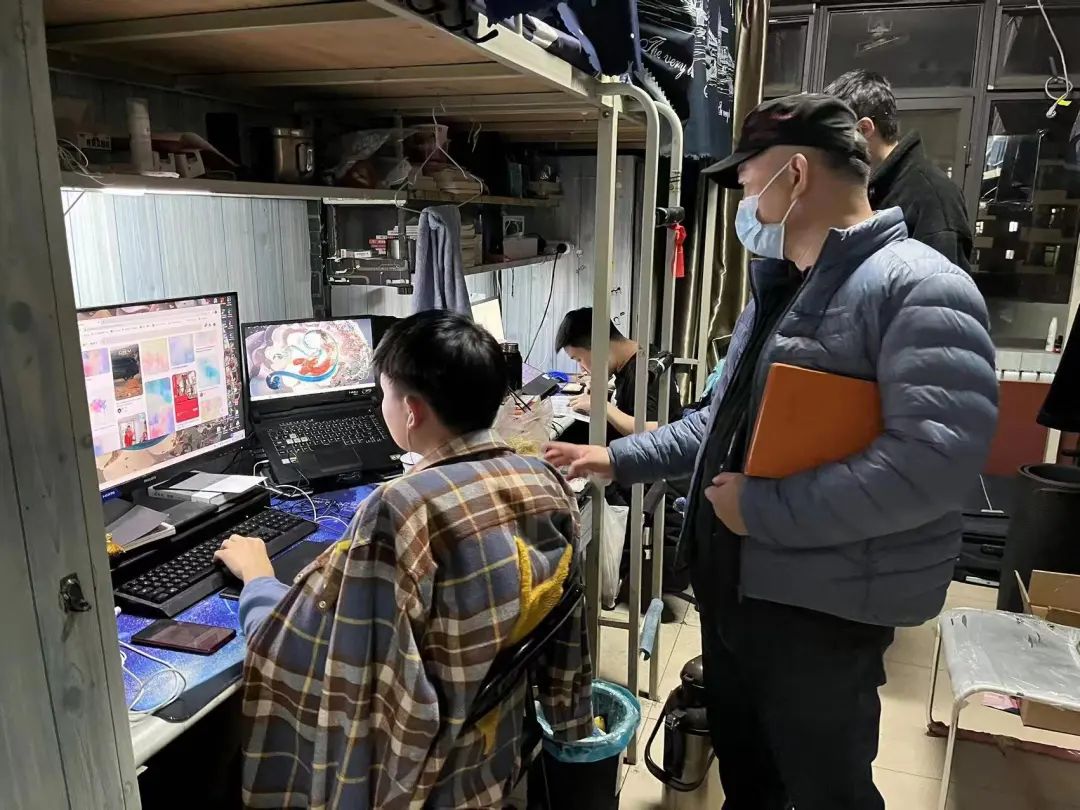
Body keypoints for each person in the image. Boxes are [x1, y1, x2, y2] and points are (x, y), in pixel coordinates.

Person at [545, 94, 998, 810]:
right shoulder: (784, 288)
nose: (745, 204)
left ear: (795, 174)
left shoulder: (920, 288)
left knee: (826, 792)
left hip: (822, 611)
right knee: (750, 780)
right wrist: (616, 460)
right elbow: (722, 424)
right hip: (741, 595)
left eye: (749, 183)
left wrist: (761, 509)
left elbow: (931, 467)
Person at [216, 310, 593, 809]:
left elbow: (306, 649)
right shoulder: (543, 479)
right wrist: (571, 722)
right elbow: (567, 631)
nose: (382, 405)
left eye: (384, 395)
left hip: (422, 780)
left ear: (411, 412)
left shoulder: (401, 509)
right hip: (495, 754)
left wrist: (258, 580)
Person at [825, 69, 974, 272]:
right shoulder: (866, 187)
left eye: (834, 135)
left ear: (864, 129)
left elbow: (941, 286)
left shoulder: (934, 197)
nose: (827, 149)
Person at [555, 307, 683, 441]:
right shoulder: (639, 355)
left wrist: (601, 405)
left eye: (579, 359)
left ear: (599, 346)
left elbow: (656, 433)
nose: (582, 369)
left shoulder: (644, 372)